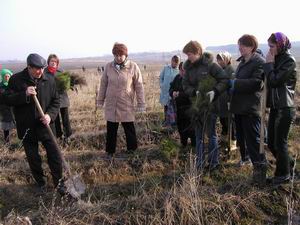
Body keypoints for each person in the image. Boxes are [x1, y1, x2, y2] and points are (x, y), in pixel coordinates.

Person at [4, 53, 63, 191]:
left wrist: (50, 115)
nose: (40, 72)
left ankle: (59, 183)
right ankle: (41, 183)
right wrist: (24, 94)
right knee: (33, 158)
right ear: (29, 67)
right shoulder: (16, 80)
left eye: (42, 68)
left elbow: (56, 101)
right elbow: (6, 99)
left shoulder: (49, 79)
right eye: (37, 69)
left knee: (55, 156)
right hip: (27, 126)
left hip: (46, 126)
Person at [182, 40, 227, 171]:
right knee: (198, 136)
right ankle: (200, 163)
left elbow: (224, 80)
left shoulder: (211, 65)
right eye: (187, 55)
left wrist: (215, 91)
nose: (188, 57)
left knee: (211, 134)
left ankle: (214, 162)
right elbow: (185, 85)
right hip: (196, 107)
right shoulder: (188, 68)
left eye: (190, 54)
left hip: (211, 106)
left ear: (198, 52)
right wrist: (193, 91)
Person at [229, 34, 267, 186]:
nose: (240, 48)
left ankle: (260, 173)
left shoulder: (259, 62)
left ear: (252, 46)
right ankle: (250, 164)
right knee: (243, 139)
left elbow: (257, 83)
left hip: (251, 108)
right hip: (239, 107)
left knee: (254, 141)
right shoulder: (243, 61)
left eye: (243, 45)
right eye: (239, 45)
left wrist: (235, 83)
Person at [96, 43, 145, 158]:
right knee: (111, 129)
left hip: (126, 103)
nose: (118, 57)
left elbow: (139, 86)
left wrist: (141, 103)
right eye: (116, 55)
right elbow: (103, 84)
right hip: (111, 104)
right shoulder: (108, 67)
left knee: (129, 128)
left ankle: (132, 151)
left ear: (125, 55)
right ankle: (110, 152)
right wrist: (100, 100)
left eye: (121, 55)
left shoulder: (133, 67)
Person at [263, 32, 298, 184]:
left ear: (280, 45)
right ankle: (290, 167)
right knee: (271, 143)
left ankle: (282, 176)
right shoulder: (276, 59)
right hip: (276, 107)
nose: (270, 50)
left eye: (272, 46)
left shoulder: (289, 61)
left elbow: (275, 81)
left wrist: (269, 65)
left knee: (280, 142)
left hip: (285, 107)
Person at [45, 54, 72, 144]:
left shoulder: (61, 71)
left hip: (62, 99)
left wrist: (66, 85)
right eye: (51, 61)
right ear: (48, 62)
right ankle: (58, 137)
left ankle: (68, 136)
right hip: (51, 101)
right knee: (55, 119)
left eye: (55, 61)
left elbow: (68, 84)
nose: (53, 63)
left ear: (57, 63)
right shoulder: (44, 72)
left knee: (65, 119)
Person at [169, 62, 195, 148]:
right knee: (181, 127)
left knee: (191, 128)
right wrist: (172, 93)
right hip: (179, 108)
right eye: (181, 70)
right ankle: (183, 143)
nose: (183, 72)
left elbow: (192, 93)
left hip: (190, 108)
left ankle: (194, 145)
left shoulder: (192, 80)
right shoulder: (177, 78)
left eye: (184, 70)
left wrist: (179, 94)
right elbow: (171, 88)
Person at [216, 52, 237, 153]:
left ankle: (233, 142)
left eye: (221, 59)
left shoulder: (231, 71)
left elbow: (233, 87)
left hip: (229, 101)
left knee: (230, 122)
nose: (219, 62)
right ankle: (224, 138)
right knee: (223, 120)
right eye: (218, 59)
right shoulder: (220, 70)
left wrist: (231, 99)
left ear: (227, 59)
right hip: (221, 100)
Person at [159, 55, 180, 127]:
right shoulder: (166, 68)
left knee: (173, 107)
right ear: (171, 61)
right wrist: (162, 85)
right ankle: (166, 121)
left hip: (173, 92)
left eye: (176, 62)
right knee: (166, 106)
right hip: (165, 91)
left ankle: (173, 122)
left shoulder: (178, 71)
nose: (174, 63)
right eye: (173, 61)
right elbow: (161, 77)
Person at [0, 69, 15, 143]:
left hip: (13, 109)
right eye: (5, 76)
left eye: (8, 76)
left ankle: (18, 141)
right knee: (6, 125)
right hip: (4, 109)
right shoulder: (0, 86)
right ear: (2, 77)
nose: (6, 78)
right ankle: (7, 142)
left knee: (16, 124)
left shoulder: (13, 85)